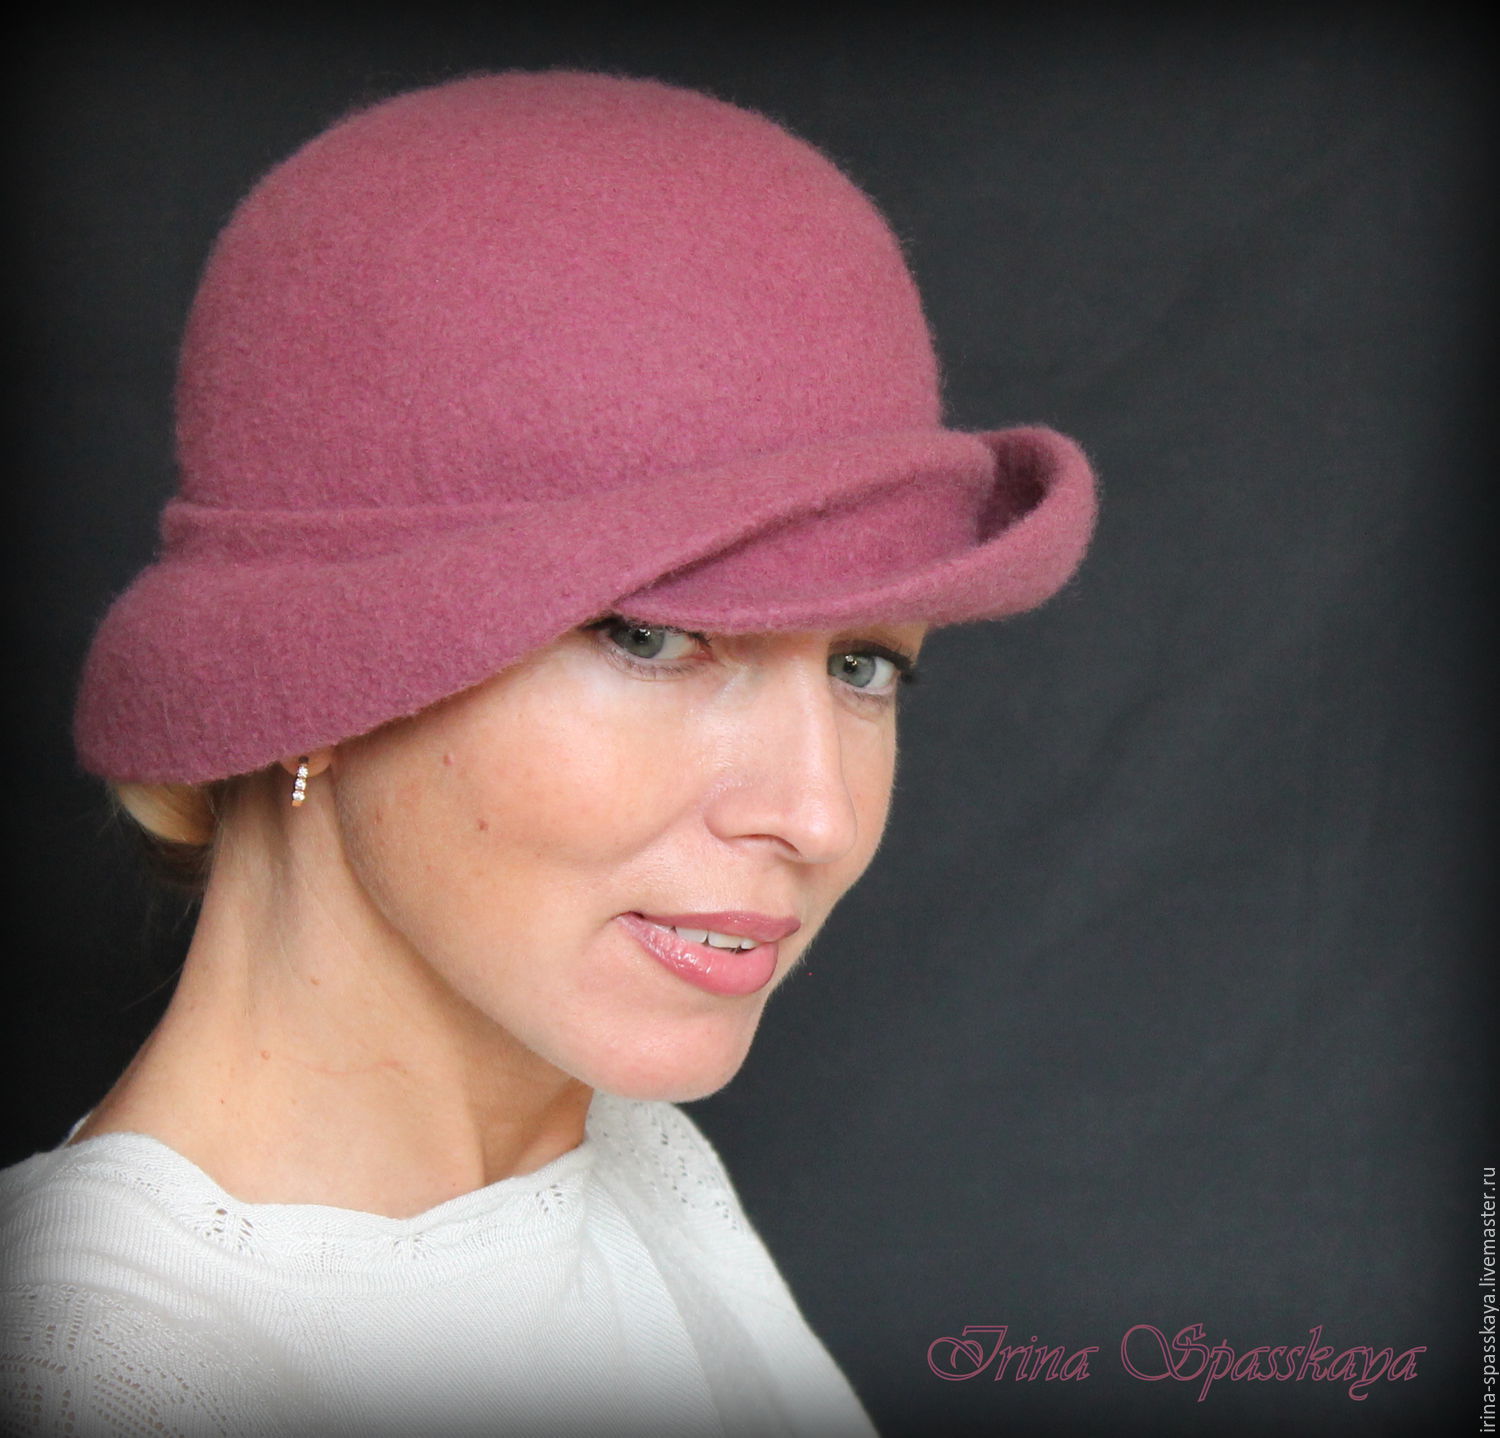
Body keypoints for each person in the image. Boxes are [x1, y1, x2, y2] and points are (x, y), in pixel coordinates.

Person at [0, 70, 1095, 1436]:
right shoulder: (113, 1380)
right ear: (316, 681)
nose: (816, 813)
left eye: (864, 665)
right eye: (656, 639)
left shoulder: (639, 1185)